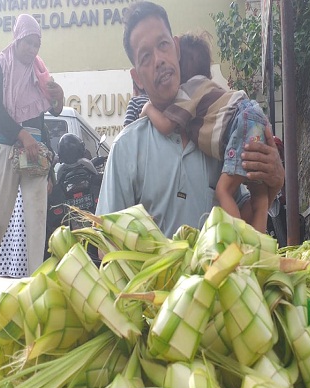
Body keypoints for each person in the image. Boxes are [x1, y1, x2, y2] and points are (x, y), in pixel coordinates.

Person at [95, 1, 284, 238]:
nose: (159, 60)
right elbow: (107, 247)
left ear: (176, 48)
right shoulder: (126, 148)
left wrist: (272, 185)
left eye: (163, 45)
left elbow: (243, 224)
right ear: (137, 78)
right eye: (145, 57)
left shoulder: (218, 135)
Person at [140, 32, 270, 233]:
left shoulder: (187, 92)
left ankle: (245, 245)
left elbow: (166, 125)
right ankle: (259, 248)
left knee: (223, 191)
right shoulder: (211, 87)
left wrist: (148, 107)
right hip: (254, 119)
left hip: (241, 125)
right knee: (259, 197)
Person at [0, 14, 64, 294]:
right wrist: (20, 134)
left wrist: (59, 94)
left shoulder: (40, 72)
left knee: (37, 218)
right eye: (28, 43)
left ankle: (35, 285)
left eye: (37, 44)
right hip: (4, 147)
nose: (32, 50)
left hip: (35, 153)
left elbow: (51, 112)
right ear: (18, 38)